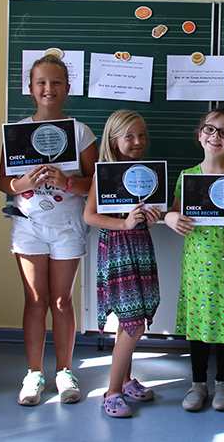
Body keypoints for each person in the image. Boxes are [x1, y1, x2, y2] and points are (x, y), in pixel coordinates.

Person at [0, 55, 97, 406]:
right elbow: (2, 183)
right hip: (28, 227)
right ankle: (34, 373)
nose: (48, 89)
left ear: (67, 89)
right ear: (30, 88)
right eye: (41, 82)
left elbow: (95, 185)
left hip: (67, 227)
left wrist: (67, 182)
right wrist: (20, 181)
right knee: (36, 300)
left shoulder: (80, 132)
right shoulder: (18, 132)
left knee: (61, 300)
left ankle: (65, 371)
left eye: (56, 82)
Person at [165, 108, 224, 412]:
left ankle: (223, 383)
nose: (215, 136)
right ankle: (197, 383)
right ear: (200, 135)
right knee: (199, 323)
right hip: (197, 266)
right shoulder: (188, 177)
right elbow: (175, 212)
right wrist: (170, 218)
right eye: (210, 129)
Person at [83, 110, 161, 418]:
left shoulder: (146, 174)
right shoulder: (105, 173)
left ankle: (127, 381)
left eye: (141, 135)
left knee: (135, 315)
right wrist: (126, 224)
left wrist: (148, 219)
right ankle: (112, 391)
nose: (137, 141)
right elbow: (90, 216)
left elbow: (143, 216)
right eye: (129, 136)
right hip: (117, 250)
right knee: (133, 322)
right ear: (113, 140)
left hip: (141, 248)